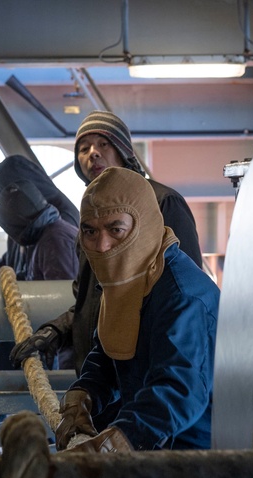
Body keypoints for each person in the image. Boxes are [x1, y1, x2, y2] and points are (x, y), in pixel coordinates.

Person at [10, 110, 203, 374]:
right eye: (84, 148)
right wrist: (57, 330)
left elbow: (186, 294)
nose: (93, 153)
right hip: (99, 374)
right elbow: (92, 298)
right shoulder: (90, 219)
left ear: (123, 150)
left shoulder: (163, 203)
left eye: (104, 143)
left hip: (147, 371)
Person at [54, 167, 219, 452]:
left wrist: (116, 442)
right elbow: (112, 348)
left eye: (116, 230)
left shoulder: (183, 296)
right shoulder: (131, 278)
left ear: (143, 225)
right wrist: (84, 394)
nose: (102, 246)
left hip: (193, 459)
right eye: (90, 231)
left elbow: (179, 390)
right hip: (152, 450)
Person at [0, 155, 80, 370]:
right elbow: (13, 263)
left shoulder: (54, 234)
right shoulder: (35, 223)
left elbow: (64, 302)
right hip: (26, 314)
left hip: (47, 330)